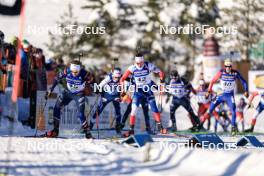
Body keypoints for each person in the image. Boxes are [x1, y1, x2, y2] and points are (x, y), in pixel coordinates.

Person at [120, 53, 166, 136]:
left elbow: (161, 73)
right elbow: (122, 79)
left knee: (154, 108)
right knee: (133, 109)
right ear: (135, 62)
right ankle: (131, 130)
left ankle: (160, 127)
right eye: (138, 63)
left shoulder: (148, 65)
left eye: (141, 62)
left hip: (148, 90)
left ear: (143, 61)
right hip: (138, 91)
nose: (140, 65)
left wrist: (161, 84)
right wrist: (122, 91)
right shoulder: (132, 68)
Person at [44, 60, 93, 138]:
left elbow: (92, 82)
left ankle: (88, 133)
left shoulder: (84, 73)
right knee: (57, 108)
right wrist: (50, 90)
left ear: (79, 70)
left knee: (80, 115)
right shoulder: (66, 71)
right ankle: (55, 131)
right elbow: (57, 79)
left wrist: (94, 87)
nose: (74, 73)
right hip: (67, 92)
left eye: (76, 72)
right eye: (73, 71)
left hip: (79, 94)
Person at [205, 59, 248, 135]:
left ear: (231, 66)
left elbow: (244, 81)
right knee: (211, 108)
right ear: (224, 66)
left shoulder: (235, 73)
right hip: (221, 94)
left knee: (233, 110)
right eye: (226, 66)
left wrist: (246, 90)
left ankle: (233, 128)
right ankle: (201, 125)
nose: (228, 68)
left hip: (229, 96)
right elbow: (212, 81)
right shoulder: (221, 72)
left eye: (229, 66)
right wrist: (208, 91)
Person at [90, 67, 123, 134]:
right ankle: (90, 124)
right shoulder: (109, 77)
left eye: (117, 77)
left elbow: (126, 84)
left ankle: (118, 127)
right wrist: (98, 88)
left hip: (116, 95)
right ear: (113, 75)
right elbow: (102, 83)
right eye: (115, 77)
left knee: (118, 111)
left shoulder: (121, 78)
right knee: (99, 109)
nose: (116, 79)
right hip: (107, 95)